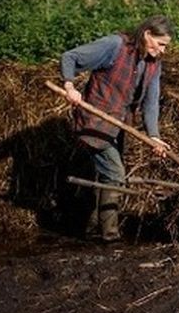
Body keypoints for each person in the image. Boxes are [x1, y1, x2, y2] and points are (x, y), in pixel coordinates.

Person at [60, 15, 173, 241]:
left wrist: (154, 136)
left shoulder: (154, 64)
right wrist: (70, 86)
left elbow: (151, 102)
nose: (162, 50)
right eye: (160, 44)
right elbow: (70, 57)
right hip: (95, 121)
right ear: (147, 34)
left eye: (165, 46)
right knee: (114, 173)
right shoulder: (115, 46)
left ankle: (93, 228)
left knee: (106, 176)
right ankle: (110, 235)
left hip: (119, 125)